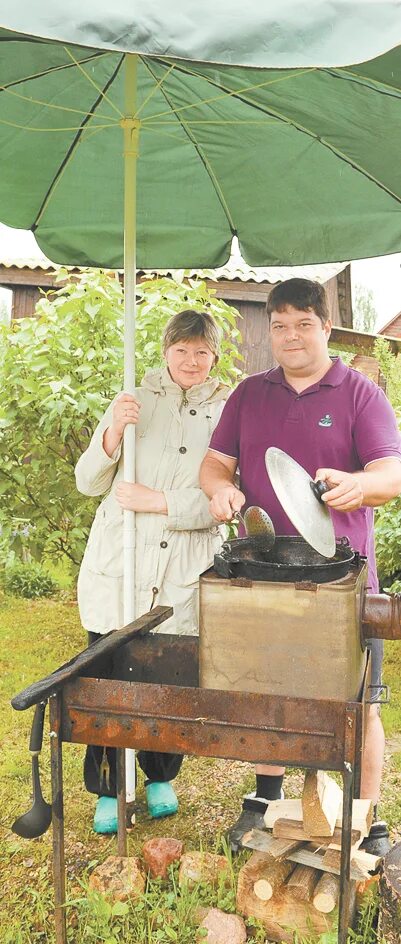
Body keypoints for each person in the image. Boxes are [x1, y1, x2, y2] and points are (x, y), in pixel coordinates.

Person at [199, 277, 401, 854]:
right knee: (261, 687)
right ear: (271, 330)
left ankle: (365, 814)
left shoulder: (360, 393)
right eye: (280, 325)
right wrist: (220, 491)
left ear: (326, 328)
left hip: (340, 576)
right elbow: (215, 465)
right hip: (262, 569)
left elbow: (392, 475)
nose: (291, 337)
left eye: (303, 324)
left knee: (359, 699)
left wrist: (356, 484)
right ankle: (265, 799)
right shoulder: (249, 393)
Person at [75, 308, 229, 833]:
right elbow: (88, 481)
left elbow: (226, 498)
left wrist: (158, 500)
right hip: (122, 562)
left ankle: (160, 775)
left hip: (183, 564)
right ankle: (108, 788)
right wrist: (113, 431)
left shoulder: (228, 412)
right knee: (105, 676)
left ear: (215, 357)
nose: (191, 360)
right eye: (182, 350)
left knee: (169, 678)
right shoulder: (132, 398)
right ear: (166, 351)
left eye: (202, 352)